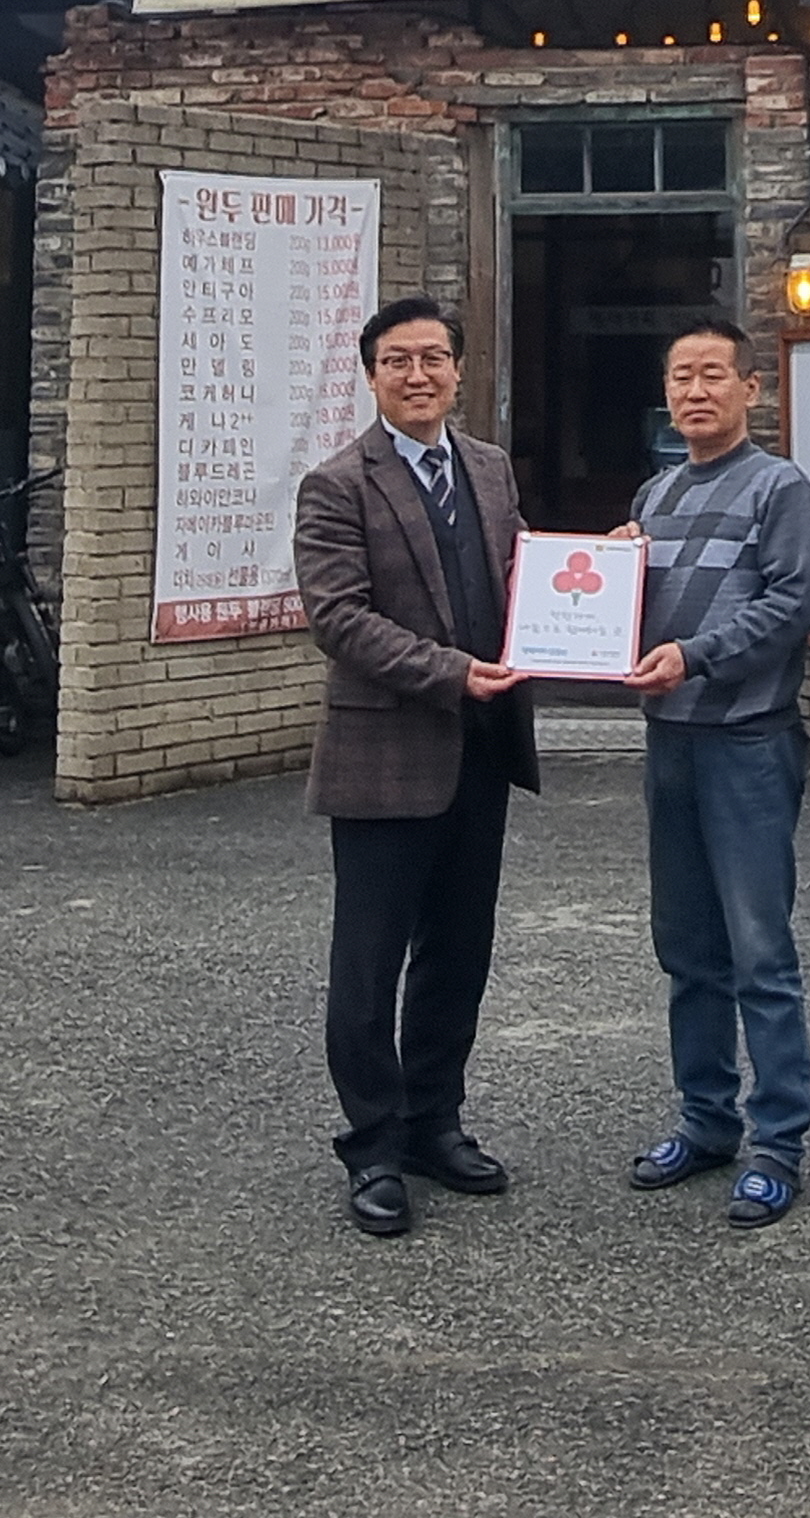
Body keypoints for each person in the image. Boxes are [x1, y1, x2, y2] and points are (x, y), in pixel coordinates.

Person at [292, 295, 539, 1239]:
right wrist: (450, 673)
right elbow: (339, 618)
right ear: (372, 375)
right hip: (384, 754)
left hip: (480, 752)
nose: (418, 374)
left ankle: (437, 1122)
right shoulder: (336, 485)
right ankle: (373, 1146)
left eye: (434, 357)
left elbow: (521, 575)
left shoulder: (489, 467)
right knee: (368, 964)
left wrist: (597, 573)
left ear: (459, 370)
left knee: (458, 953)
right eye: (398, 360)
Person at [614, 318, 810, 1226]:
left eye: (712, 375)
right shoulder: (655, 494)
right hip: (671, 743)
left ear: (751, 388)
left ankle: (777, 1141)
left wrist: (694, 656)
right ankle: (705, 1121)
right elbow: (629, 613)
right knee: (686, 948)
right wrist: (608, 577)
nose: (695, 391)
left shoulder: (781, 489)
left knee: (759, 951)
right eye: (680, 377)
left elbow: (792, 604)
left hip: (746, 742)